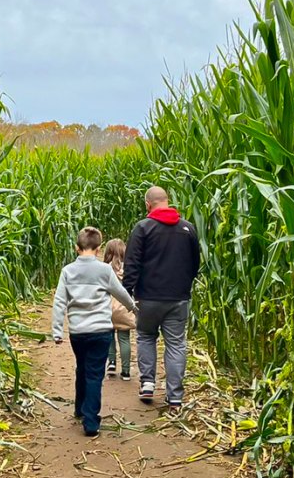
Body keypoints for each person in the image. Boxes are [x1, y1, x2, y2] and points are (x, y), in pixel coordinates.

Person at [52, 226, 138, 437]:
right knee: (93, 375)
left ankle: (80, 408)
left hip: (78, 332)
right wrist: (133, 307)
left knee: (82, 368)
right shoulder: (104, 270)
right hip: (100, 330)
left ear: (76, 248)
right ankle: (91, 422)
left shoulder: (68, 271)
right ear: (99, 249)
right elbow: (120, 292)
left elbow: (59, 301)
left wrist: (56, 330)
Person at [122, 186, 200, 415]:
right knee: (176, 344)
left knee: (146, 336)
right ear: (167, 201)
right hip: (178, 298)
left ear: (148, 204)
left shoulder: (143, 228)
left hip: (148, 297)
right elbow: (195, 263)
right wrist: (185, 284)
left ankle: (147, 384)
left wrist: (127, 293)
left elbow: (132, 264)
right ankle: (175, 397)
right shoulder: (187, 229)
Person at [103, 238, 136, 380]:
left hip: (107, 306)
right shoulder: (129, 268)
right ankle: (126, 371)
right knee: (124, 338)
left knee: (109, 336)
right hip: (124, 306)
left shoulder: (105, 268)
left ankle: (111, 363)